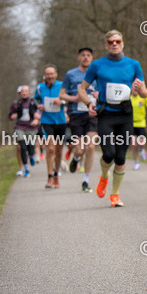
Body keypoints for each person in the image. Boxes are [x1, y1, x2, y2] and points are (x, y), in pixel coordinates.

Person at [78, 30, 147, 207]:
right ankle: (103, 177)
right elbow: (82, 89)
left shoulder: (133, 65)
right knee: (108, 154)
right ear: (106, 45)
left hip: (125, 114)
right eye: (111, 42)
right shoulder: (96, 65)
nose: (114, 44)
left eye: (117, 41)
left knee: (121, 157)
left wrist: (139, 88)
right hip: (105, 114)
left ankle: (115, 195)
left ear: (122, 44)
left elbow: (145, 93)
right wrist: (89, 104)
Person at [60, 47, 99, 192]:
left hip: (93, 114)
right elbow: (62, 94)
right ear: (78, 58)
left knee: (90, 147)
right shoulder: (71, 74)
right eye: (83, 55)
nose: (86, 58)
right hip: (76, 114)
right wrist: (74, 98)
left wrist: (98, 96)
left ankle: (85, 180)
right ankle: (76, 159)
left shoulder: (97, 74)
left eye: (89, 55)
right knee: (80, 149)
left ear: (92, 58)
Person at [34, 65, 67, 189]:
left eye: (52, 74)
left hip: (60, 121)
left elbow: (69, 99)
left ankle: (56, 175)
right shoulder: (39, 87)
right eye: (47, 74)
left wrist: (62, 102)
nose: (50, 76)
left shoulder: (62, 85)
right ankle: (49, 176)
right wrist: (39, 106)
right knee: (50, 149)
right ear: (45, 76)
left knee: (58, 151)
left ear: (56, 75)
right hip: (47, 121)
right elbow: (36, 100)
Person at [9, 85, 40, 176]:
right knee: (22, 147)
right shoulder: (16, 103)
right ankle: (26, 168)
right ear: (20, 93)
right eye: (22, 91)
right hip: (20, 128)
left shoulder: (34, 102)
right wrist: (12, 116)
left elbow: (40, 112)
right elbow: (10, 114)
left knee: (31, 147)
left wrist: (37, 119)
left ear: (29, 92)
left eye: (26, 91)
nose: (24, 93)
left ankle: (31, 156)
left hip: (32, 128)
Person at [130, 85, 147, 169]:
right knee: (134, 144)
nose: (135, 90)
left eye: (136, 88)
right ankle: (136, 162)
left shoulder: (143, 97)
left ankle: (141, 149)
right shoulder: (128, 98)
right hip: (131, 124)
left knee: (141, 143)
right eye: (133, 88)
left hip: (141, 123)